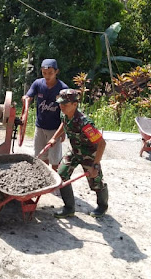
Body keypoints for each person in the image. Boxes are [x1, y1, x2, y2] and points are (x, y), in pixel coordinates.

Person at [47, 89, 108, 218]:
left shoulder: (84, 123)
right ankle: (69, 208)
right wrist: (54, 137)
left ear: (75, 104)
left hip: (89, 154)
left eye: (65, 104)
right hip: (74, 151)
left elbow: (102, 143)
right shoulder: (64, 114)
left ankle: (102, 206)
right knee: (61, 175)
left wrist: (95, 164)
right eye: (60, 104)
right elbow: (64, 125)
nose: (61, 107)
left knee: (95, 181)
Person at [22, 58, 70, 171]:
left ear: (56, 72)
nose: (47, 76)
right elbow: (28, 96)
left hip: (55, 129)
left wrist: (63, 132)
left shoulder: (63, 88)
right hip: (40, 127)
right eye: (44, 73)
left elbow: (67, 113)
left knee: (55, 159)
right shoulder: (38, 84)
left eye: (50, 73)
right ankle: (44, 180)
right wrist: (26, 100)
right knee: (41, 157)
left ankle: (55, 183)